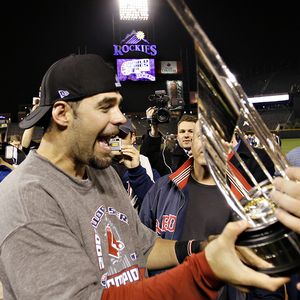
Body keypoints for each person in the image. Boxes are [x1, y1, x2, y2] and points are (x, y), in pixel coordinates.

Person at [0, 53, 289, 299]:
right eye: (105, 106)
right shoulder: (27, 196)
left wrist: (203, 247)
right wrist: (205, 269)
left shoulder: (104, 173)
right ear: (62, 113)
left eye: (119, 106)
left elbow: (143, 247)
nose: (121, 119)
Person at [139, 120, 285, 299]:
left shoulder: (248, 199)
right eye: (201, 136)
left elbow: (266, 273)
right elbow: (139, 248)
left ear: (229, 147)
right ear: (191, 143)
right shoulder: (162, 189)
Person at [111, 118, 160, 211]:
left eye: (121, 135)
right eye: (111, 135)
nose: (115, 140)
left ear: (133, 137)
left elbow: (154, 205)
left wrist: (136, 170)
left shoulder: (146, 166)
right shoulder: (96, 167)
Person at [140, 110, 197, 176]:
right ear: (177, 137)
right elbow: (148, 158)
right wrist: (154, 127)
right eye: (182, 131)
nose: (186, 135)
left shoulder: (208, 157)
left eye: (190, 131)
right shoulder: (167, 159)